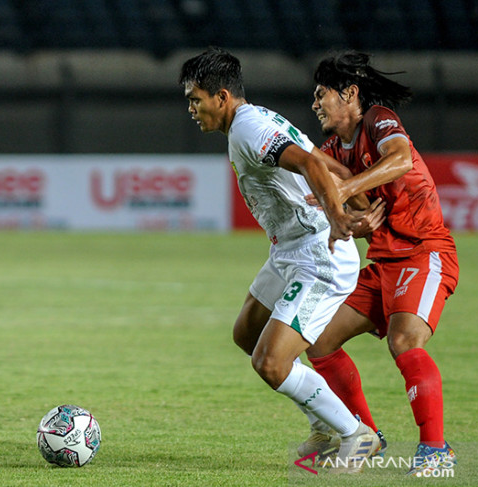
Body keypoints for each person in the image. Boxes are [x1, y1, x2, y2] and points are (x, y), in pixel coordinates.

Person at [179, 47, 385, 473]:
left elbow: (310, 162)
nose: (192, 110)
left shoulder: (250, 129)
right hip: (289, 249)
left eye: (195, 100)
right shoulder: (254, 121)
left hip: (318, 255)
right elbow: (321, 159)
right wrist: (351, 190)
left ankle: (356, 434)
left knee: (271, 363)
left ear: (221, 97)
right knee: (247, 334)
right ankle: (323, 427)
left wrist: (337, 217)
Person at [303, 50, 459, 475]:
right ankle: (365, 435)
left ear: (349, 93)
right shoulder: (333, 148)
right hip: (383, 261)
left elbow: (402, 159)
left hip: (424, 252)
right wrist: (348, 216)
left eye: (321, 95)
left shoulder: (378, 118)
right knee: (317, 340)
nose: (315, 104)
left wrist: (346, 188)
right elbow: (353, 209)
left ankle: (436, 450)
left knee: (405, 342)